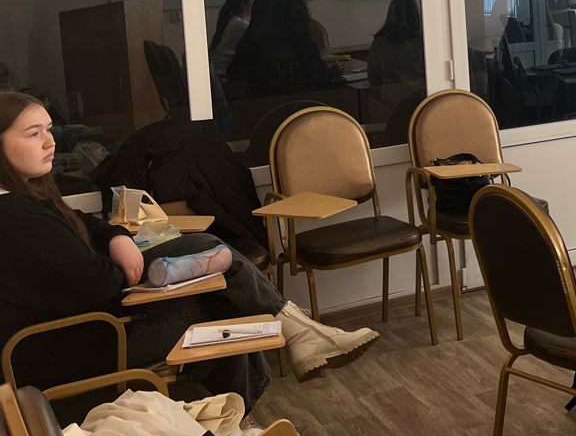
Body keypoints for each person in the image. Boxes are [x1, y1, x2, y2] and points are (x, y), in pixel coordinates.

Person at [0, 92, 377, 408]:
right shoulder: (19, 219)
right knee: (225, 306)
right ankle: (243, 407)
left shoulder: (24, 200)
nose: (50, 142)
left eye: (49, 130)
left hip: (83, 330)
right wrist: (127, 261)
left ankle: (239, 408)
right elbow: (103, 286)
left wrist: (116, 237)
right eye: (34, 134)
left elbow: (81, 221)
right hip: (75, 348)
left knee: (203, 254)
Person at [366, 0, 424, 88]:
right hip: (423, 92)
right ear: (416, 13)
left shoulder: (380, 41)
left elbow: (373, 77)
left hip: (391, 94)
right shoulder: (424, 40)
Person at [207, 0, 253, 75]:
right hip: (222, 74)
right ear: (244, 5)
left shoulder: (233, 22)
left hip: (218, 71)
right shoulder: (240, 25)